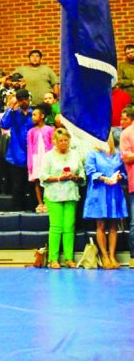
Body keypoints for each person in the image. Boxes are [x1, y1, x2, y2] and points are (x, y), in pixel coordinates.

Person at [39, 127, 85, 269]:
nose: (64, 143)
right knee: (56, 226)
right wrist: (59, 178)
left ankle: (69, 258)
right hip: (54, 195)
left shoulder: (75, 155)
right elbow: (43, 177)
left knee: (69, 226)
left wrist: (74, 176)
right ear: (55, 141)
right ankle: (53, 259)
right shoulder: (48, 156)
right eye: (61, 141)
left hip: (71, 193)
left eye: (66, 140)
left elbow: (82, 175)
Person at [83, 137, 127, 269]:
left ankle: (112, 255)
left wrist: (119, 177)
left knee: (114, 225)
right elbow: (90, 172)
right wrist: (104, 178)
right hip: (99, 192)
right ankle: (104, 255)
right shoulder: (93, 154)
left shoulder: (118, 154)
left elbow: (124, 173)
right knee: (101, 225)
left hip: (114, 192)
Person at [0, 89, 34, 210]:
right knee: (17, 186)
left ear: (28, 99)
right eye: (21, 100)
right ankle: (17, 211)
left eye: (25, 99)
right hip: (15, 155)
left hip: (32, 156)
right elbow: (4, 125)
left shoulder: (34, 113)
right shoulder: (13, 114)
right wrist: (11, 109)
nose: (23, 102)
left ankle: (31, 210)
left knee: (31, 186)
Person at [27, 104, 53, 212]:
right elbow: (29, 148)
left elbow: (53, 145)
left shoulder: (50, 129)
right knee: (37, 181)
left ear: (42, 116)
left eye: (35, 115)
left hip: (47, 157)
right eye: (32, 115)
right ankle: (40, 203)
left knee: (47, 181)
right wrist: (30, 164)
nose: (33, 117)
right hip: (36, 158)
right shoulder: (31, 132)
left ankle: (48, 202)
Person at [119, 105, 134, 266]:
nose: (121, 121)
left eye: (125, 118)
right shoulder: (126, 134)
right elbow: (126, 157)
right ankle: (133, 256)